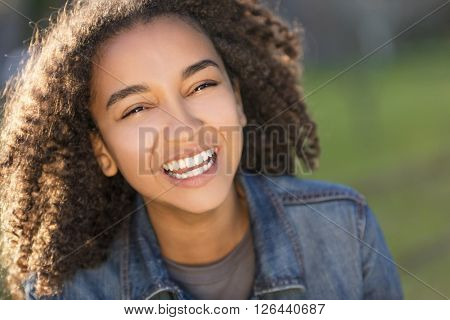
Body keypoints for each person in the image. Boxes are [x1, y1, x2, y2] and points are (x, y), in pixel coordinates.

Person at [0, 0, 403, 300]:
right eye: (137, 108)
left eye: (201, 86)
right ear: (102, 150)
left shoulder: (347, 233)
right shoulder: (68, 296)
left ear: (238, 102)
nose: (184, 128)